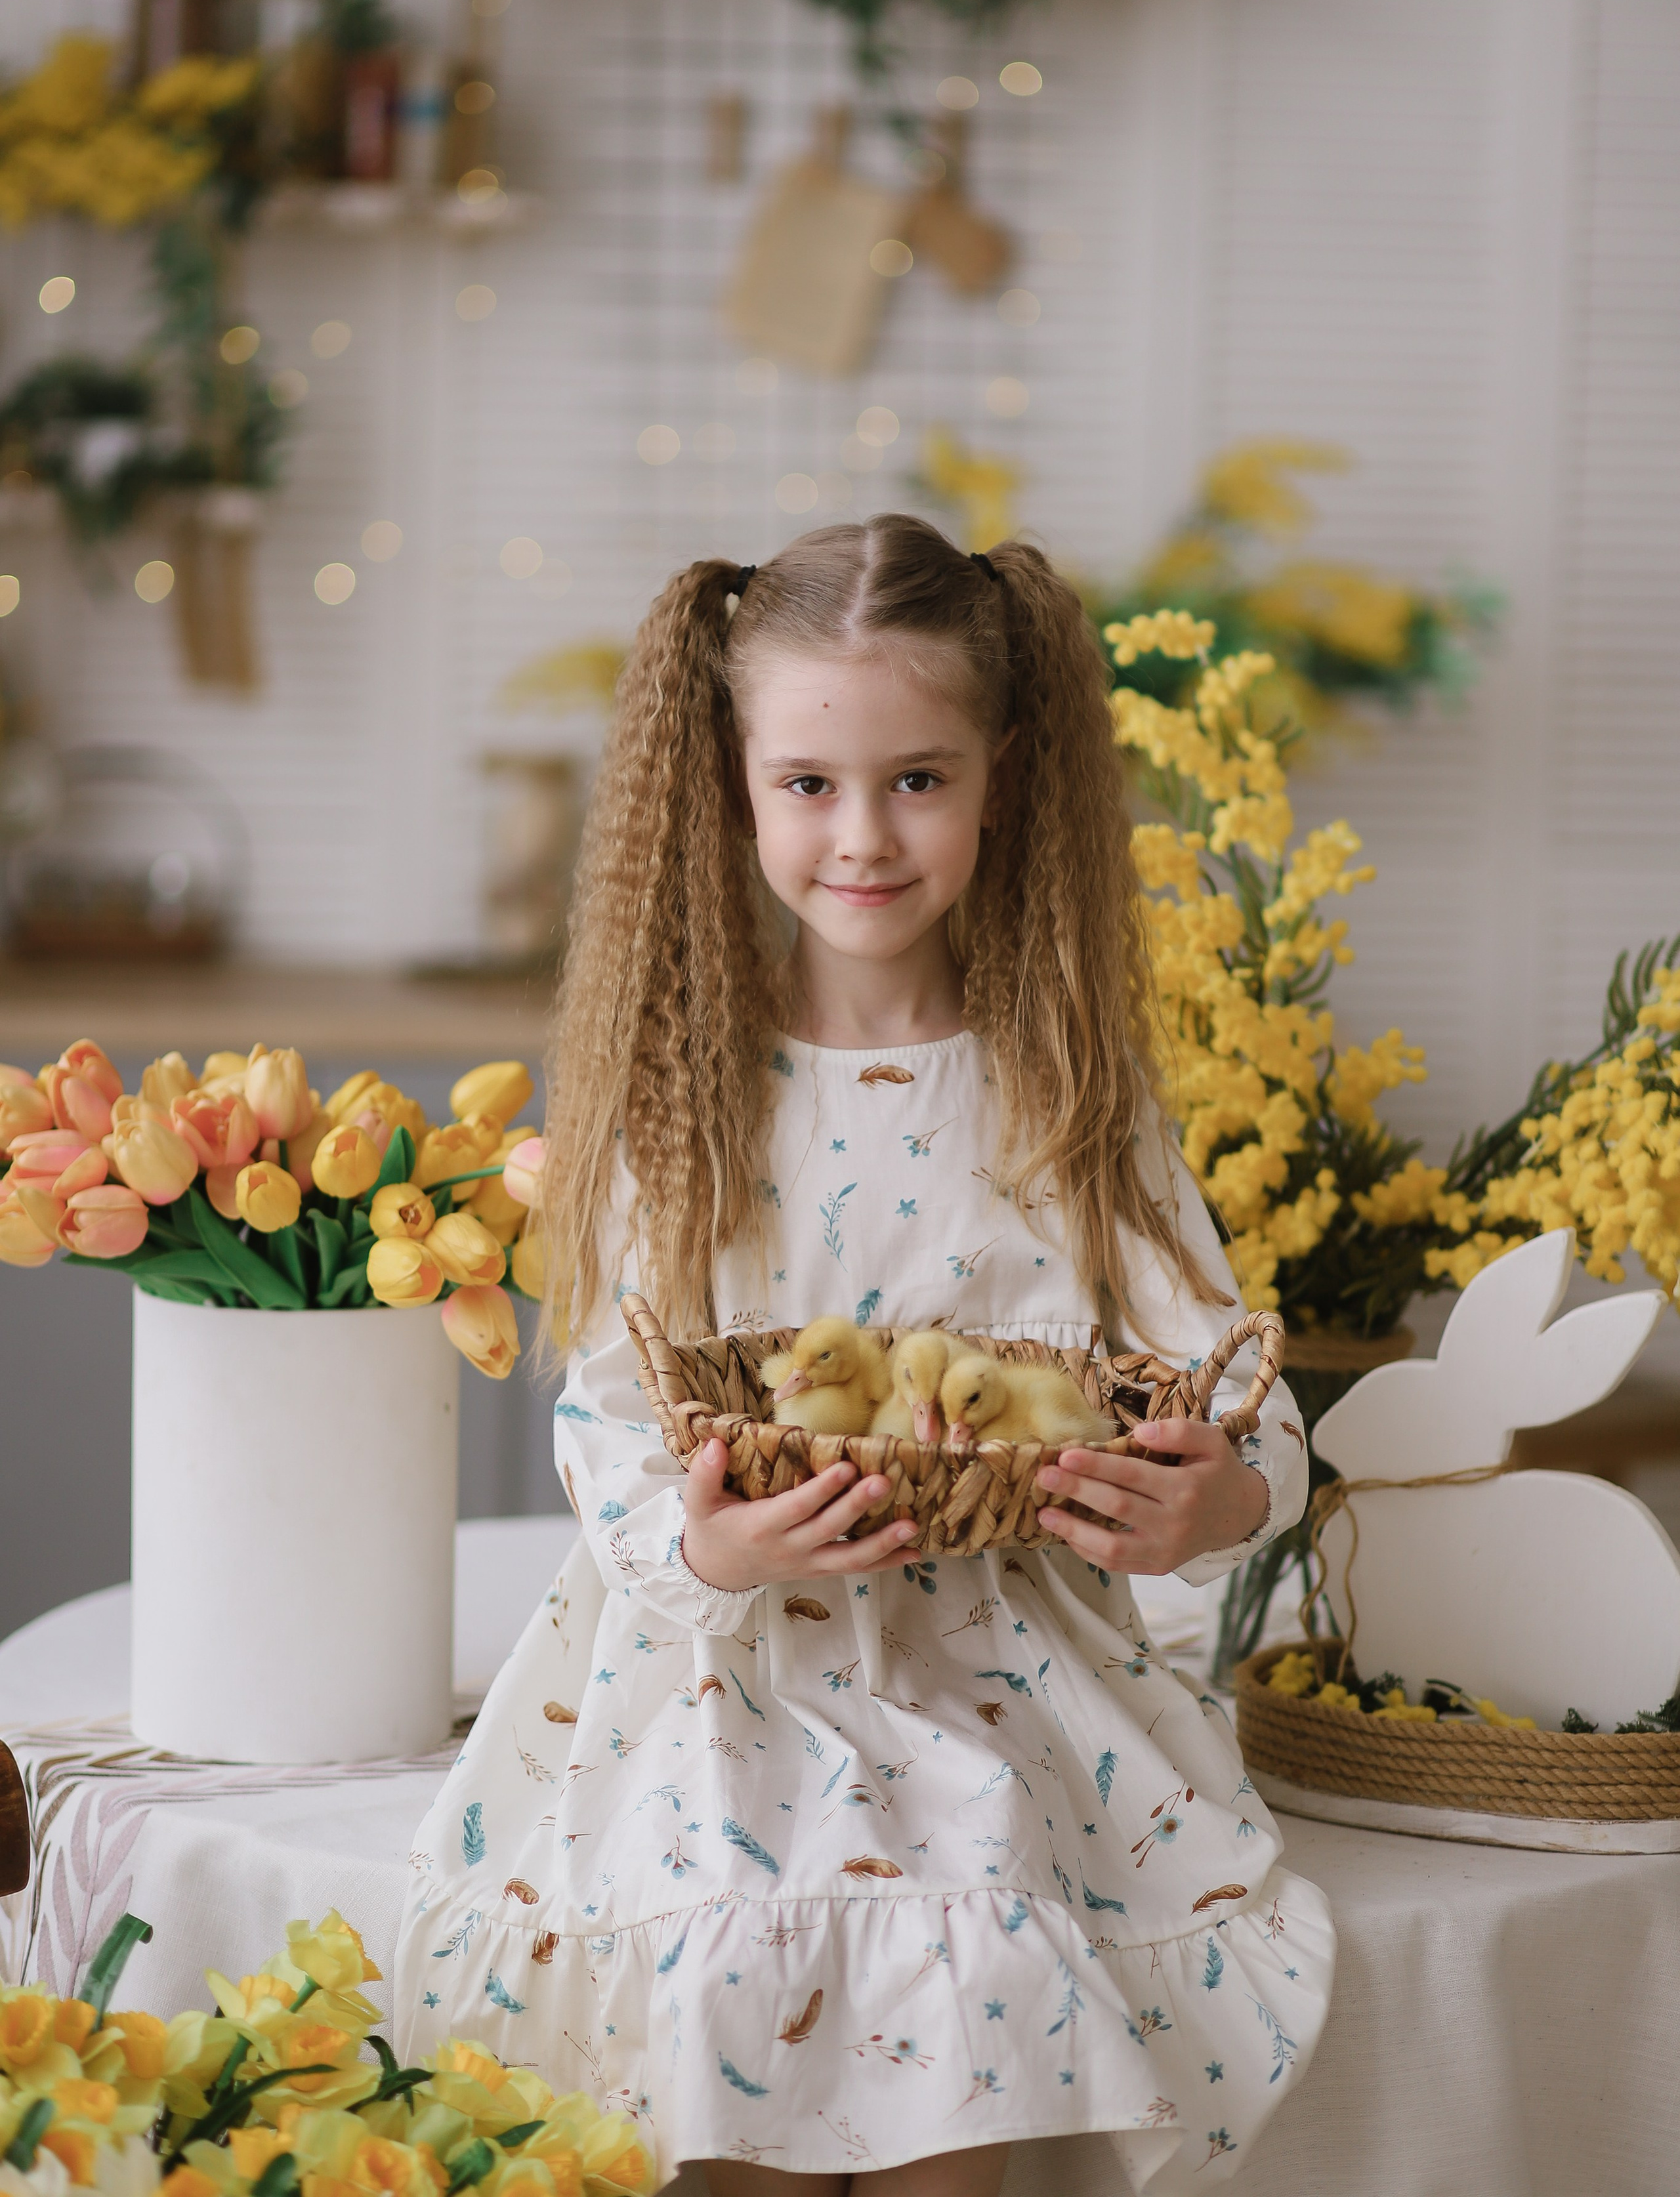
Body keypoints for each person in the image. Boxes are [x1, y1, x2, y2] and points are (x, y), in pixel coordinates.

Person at [395, 518, 1334, 2196]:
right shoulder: (682, 1100)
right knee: (722, 1958)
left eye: (916, 780)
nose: (863, 836)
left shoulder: (1068, 1093)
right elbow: (607, 1414)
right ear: (734, 787)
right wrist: (705, 1546)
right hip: (722, 1674)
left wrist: (1222, 1498)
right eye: (808, 785)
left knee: (973, 1950)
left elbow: (1231, 1387)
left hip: (1002, 1664)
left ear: (1000, 778)